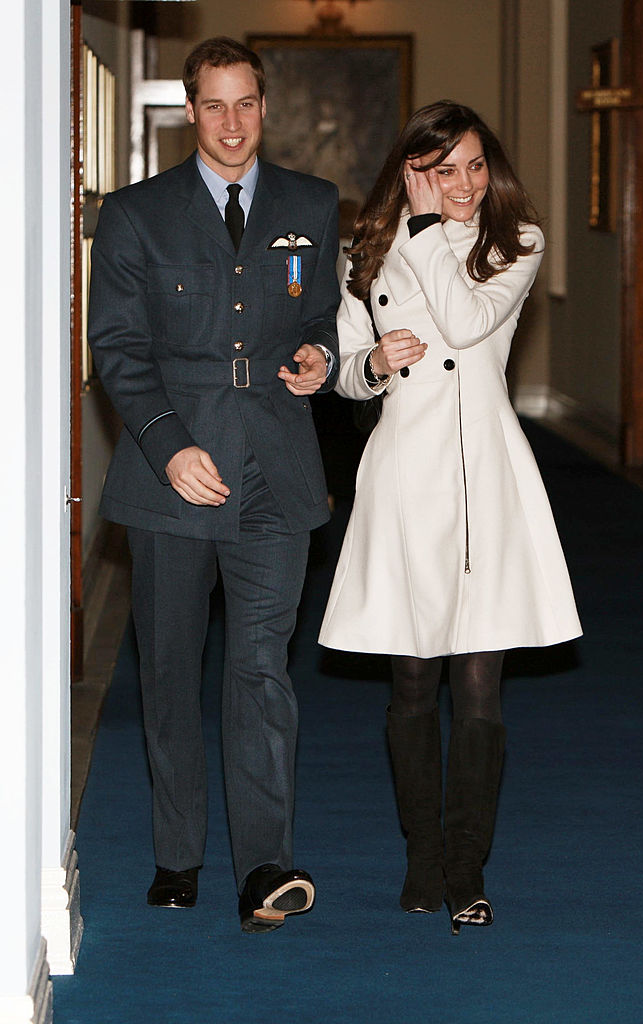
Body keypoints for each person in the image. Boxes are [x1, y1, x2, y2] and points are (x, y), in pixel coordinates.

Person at [88, 37, 340, 934]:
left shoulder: (312, 204)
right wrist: (165, 445)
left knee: (261, 668)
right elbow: (116, 350)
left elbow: (318, 317)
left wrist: (320, 356)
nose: (232, 124)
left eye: (247, 104)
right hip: (174, 475)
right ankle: (177, 853)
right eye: (215, 106)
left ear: (263, 107)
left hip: (277, 464)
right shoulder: (135, 214)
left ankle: (266, 863)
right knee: (168, 667)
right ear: (190, 112)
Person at [318, 101, 582, 934]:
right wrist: (368, 360)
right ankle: (421, 858)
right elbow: (348, 376)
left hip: (484, 482)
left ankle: (467, 867)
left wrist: (427, 226)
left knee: (477, 685)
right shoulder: (364, 251)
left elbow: (466, 326)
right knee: (408, 680)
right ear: (410, 170)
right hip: (403, 474)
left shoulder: (517, 244)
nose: (463, 183)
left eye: (473, 165)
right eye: (442, 169)